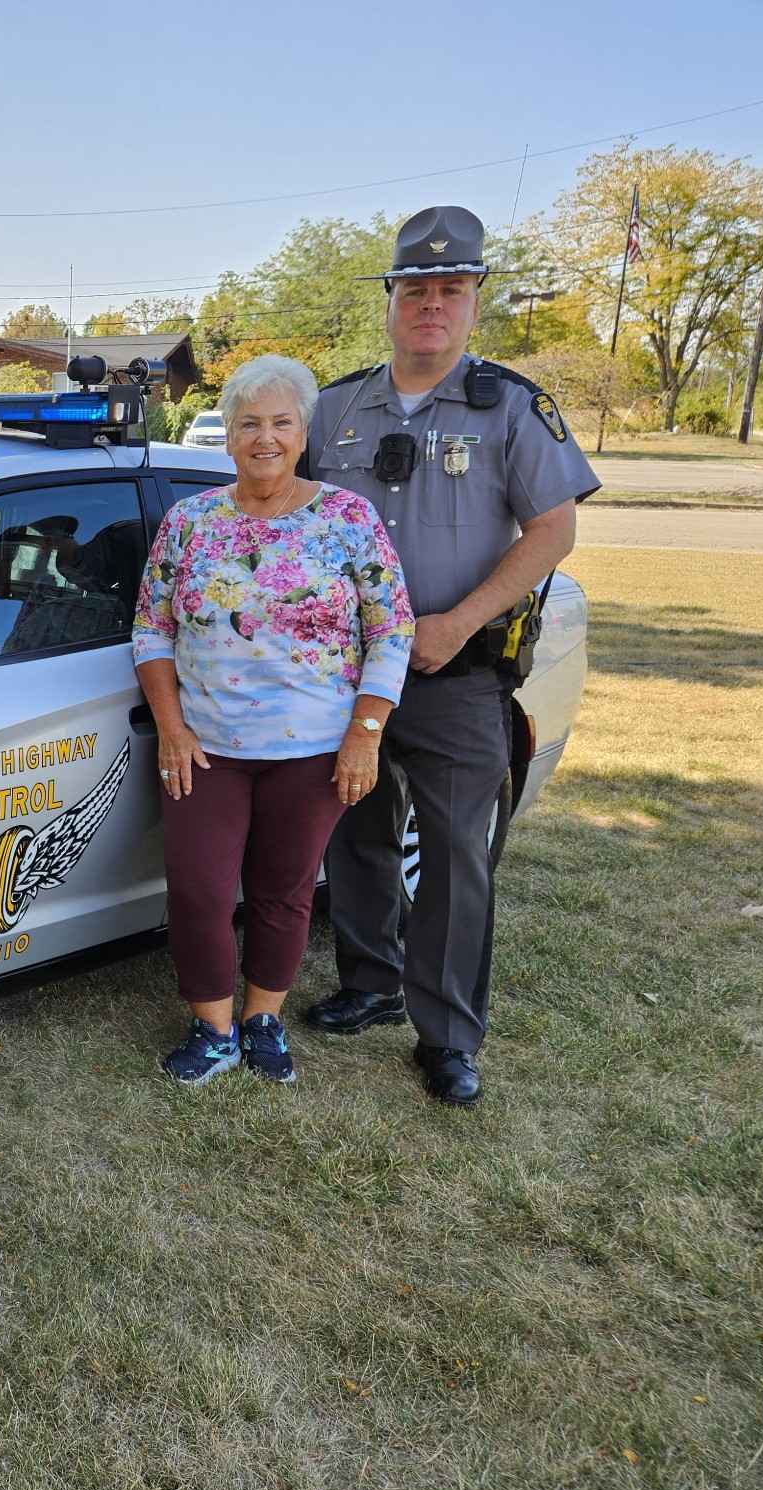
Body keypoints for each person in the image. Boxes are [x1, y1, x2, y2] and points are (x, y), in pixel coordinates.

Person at [299, 206, 597, 1106]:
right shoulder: (333, 406)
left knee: (459, 857)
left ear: (474, 302)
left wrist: (458, 621)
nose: (432, 303)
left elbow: (554, 529)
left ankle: (449, 1033)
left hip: (454, 673)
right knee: (356, 833)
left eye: (451, 289)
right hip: (348, 675)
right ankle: (369, 981)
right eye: (416, 288)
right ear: (391, 299)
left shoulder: (509, 406)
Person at [134, 354, 415, 1088]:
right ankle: (213, 1027)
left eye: (280, 423)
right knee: (197, 888)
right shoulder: (190, 521)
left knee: (284, 891)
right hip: (205, 746)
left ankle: (263, 1021)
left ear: (303, 432)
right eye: (248, 423)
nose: (264, 437)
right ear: (226, 437)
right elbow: (151, 630)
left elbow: (392, 630)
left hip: (315, 748)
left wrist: (365, 733)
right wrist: (171, 726)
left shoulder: (347, 519)